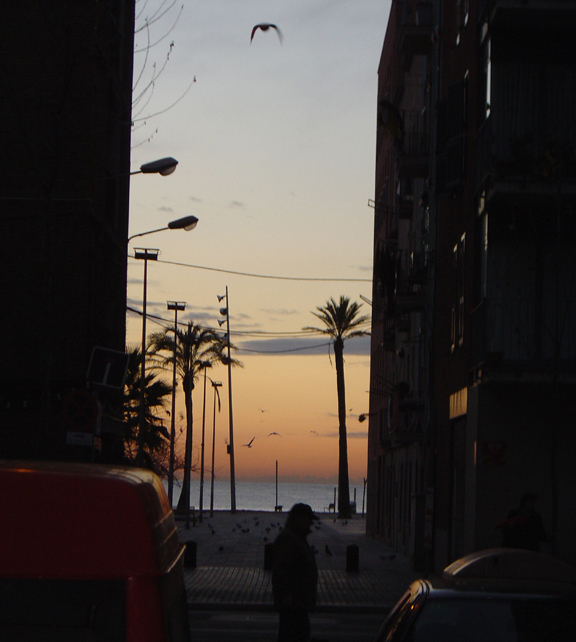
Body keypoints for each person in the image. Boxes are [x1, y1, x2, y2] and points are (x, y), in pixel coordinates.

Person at [272, 503, 319, 642]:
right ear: (299, 518)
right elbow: (281, 570)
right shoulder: (289, 538)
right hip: (293, 605)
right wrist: (287, 596)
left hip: (298, 603)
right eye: (308, 518)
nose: (311, 523)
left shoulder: (297, 537)